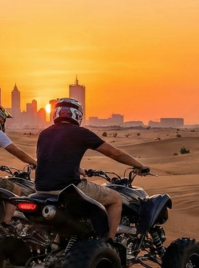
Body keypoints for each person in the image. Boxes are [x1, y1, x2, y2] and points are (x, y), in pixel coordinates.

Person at [34, 98, 149, 240]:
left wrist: (78, 169)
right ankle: (110, 243)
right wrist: (140, 166)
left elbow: (51, 160)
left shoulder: (44, 134)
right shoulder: (80, 132)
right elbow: (115, 153)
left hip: (41, 189)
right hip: (67, 188)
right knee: (116, 199)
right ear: (77, 115)